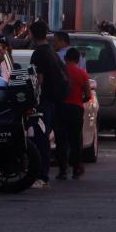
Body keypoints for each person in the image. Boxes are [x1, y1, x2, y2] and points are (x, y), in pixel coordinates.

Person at [29, 20, 68, 188]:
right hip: (54, 101)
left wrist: (33, 100)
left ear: (31, 34)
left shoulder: (38, 54)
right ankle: (42, 175)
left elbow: (39, 80)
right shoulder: (52, 52)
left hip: (43, 101)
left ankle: (41, 176)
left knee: (40, 138)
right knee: (44, 138)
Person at [56, 47, 90, 181]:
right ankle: (76, 169)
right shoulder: (82, 74)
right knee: (76, 140)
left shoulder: (59, 73)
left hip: (61, 108)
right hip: (76, 109)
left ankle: (62, 170)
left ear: (65, 59)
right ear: (78, 60)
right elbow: (88, 94)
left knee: (61, 140)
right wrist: (80, 100)